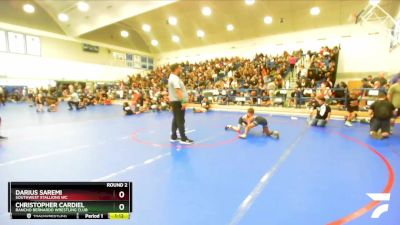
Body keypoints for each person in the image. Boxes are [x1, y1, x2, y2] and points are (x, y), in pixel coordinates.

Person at [168, 64, 194, 144]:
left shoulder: (172, 77)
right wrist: (183, 102)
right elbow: (178, 90)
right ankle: (183, 138)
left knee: (176, 119)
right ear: (176, 69)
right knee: (180, 120)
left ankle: (174, 136)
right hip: (178, 102)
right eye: (179, 68)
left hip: (175, 101)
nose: (181, 69)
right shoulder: (175, 78)